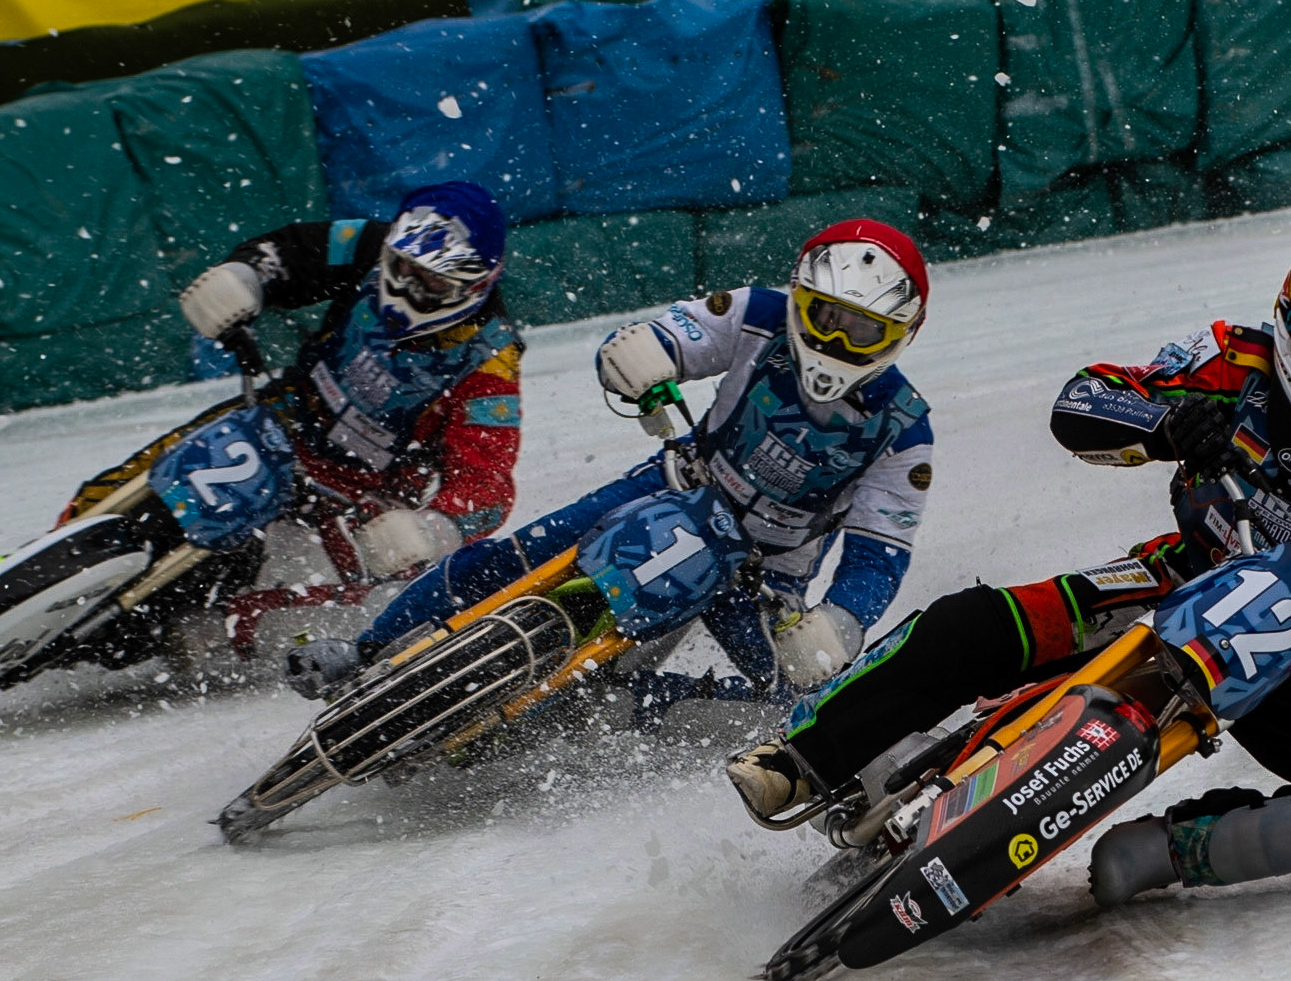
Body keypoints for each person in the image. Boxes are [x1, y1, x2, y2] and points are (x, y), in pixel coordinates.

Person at [728, 234, 1291, 904]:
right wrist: (1163, 426)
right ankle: (800, 758)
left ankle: (1168, 854)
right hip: (1175, 578)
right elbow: (1083, 399)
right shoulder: (1229, 360)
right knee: (973, 625)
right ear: (1286, 329)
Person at [284, 219, 937, 727]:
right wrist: (644, 355)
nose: (837, 344)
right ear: (800, 301)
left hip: (770, 566)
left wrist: (842, 622)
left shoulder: (906, 429)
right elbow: (662, 337)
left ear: (903, 334)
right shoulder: (755, 312)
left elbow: (879, 553)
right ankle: (366, 649)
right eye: (828, 318)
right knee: (521, 551)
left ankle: (639, 703)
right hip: (680, 481)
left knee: (792, 693)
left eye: (866, 332)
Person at [59, 182, 523, 647]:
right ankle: (48, 552)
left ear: (477, 283)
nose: (407, 287)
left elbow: (487, 483)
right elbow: (290, 250)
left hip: (360, 495)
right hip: (281, 416)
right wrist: (245, 276)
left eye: (434, 281)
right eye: (403, 267)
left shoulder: (490, 361)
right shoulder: (368, 242)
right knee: (152, 470)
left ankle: (189, 636)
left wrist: (436, 527)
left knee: (263, 619)